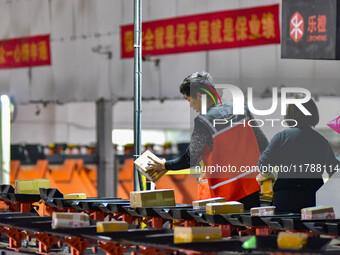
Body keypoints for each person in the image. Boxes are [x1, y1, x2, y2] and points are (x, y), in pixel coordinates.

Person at [146, 71, 268, 209]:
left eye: (189, 100)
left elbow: (189, 158)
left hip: (227, 194)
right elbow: (263, 143)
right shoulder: (242, 110)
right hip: (251, 187)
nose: (191, 106)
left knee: (229, 230)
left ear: (198, 96)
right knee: (250, 228)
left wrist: (164, 165)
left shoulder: (204, 122)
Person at [257, 96, 340, 213]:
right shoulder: (321, 141)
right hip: (313, 201)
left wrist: (271, 176)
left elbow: (263, 165)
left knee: (285, 231)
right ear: (313, 115)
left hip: (284, 200)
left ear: (290, 115)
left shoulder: (281, 137)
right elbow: (335, 171)